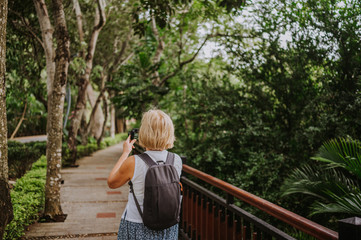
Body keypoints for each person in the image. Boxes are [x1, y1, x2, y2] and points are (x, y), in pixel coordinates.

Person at [107, 109, 183, 240]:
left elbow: (112, 183)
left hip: (136, 224)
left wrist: (125, 153)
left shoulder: (133, 162)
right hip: (168, 225)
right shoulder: (176, 160)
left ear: (144, 132)